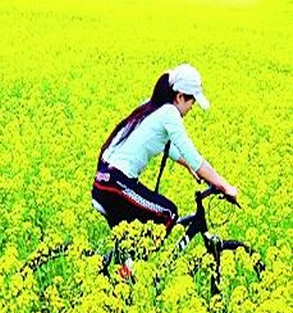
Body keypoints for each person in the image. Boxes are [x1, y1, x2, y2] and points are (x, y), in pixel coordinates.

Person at [91, 64, 238, 277]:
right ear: (180, 97)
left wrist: (189, 167)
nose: (192, 108)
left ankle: (126, 275)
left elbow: (168, 148)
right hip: (117, 184)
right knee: (168, 213)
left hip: (104, 182)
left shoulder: (152, 106)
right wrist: (225, 186)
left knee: (135, 237)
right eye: (192, 102)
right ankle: (137, 273)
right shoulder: (169, 113)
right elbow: (193, 156)